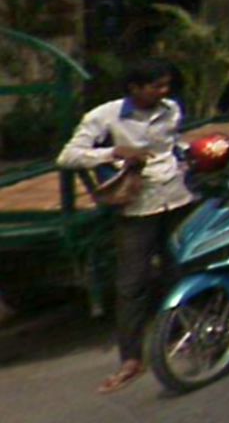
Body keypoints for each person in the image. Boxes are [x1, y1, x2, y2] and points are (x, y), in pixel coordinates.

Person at [57, 58, 194, 393]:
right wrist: (112, 153)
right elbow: (68, 156)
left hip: (176, 200)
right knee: (132, 284)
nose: (164, 92)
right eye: (156, 86)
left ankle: (187, 333)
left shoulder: (171, 110)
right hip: (136, 208)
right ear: (135, 88)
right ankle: (131, 359)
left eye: (166, 85)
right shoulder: (105, 116)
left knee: (181, 270)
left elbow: (173, 144)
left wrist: (189, 158)